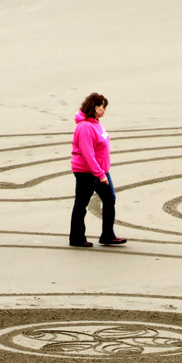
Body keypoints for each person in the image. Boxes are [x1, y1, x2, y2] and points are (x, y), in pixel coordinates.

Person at [69, 92, 126, 247]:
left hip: (100, 170)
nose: (104, 110)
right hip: (86, 172)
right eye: (102, 107)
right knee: (81, 203)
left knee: (109, 199)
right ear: (95, 107)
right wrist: (100, 174)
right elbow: (88, 154)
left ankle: (108, 235)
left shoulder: (96, 123)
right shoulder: (85, 127)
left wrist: (102, 171)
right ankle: (76, 238)